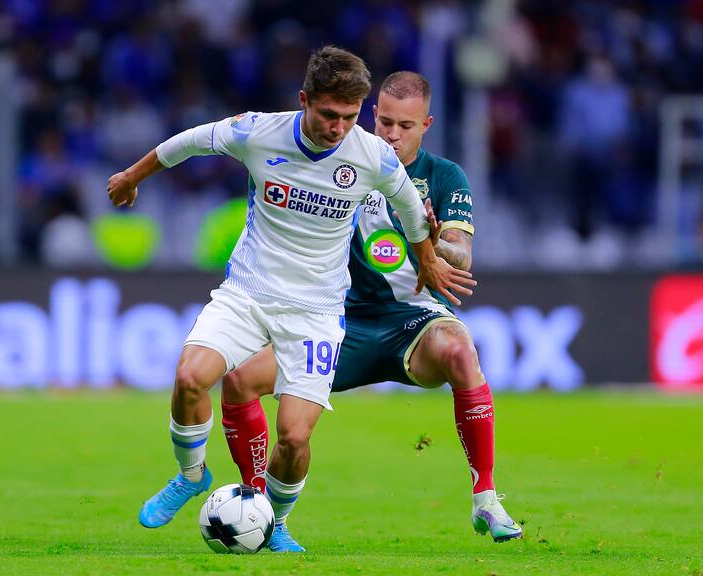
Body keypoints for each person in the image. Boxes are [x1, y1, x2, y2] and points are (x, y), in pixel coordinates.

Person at [106, 49, 475, 552]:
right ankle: (191, 475)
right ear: (304, 100)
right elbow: (189, 142)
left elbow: (412, 211)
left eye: (349, 117)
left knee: (294, 437)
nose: (338, 128)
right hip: (248, 292)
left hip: (319, 311)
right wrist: (132, 176)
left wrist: (428, 260)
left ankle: (275, 524)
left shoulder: (372, 155)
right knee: (192, 376)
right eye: (328, 115)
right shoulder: (259, 132)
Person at [221, 71, 522, 545]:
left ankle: (486, 499)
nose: (392, 135)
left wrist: (439, 239)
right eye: (384, 122)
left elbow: (462, 252)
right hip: (336, 322)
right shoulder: (340, 159)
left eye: (405, 125)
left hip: (415, 321)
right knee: (239, 381)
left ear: (426, 124)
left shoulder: (443, 176)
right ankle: (259, 509)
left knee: (462, 353)